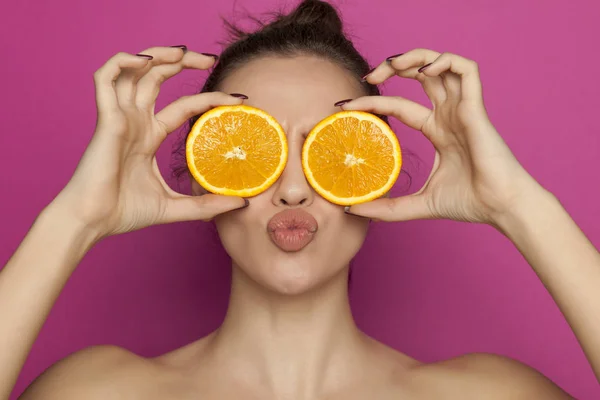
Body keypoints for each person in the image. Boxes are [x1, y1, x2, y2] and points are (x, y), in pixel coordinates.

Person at [1, 0, 597, 398]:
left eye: (331, 152)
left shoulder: (486, 396)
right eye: (250, 151)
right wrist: (73, 220)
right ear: (202, 175)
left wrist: (518, 204)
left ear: (377, 173)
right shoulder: (101, 392)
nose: (291, 189)